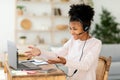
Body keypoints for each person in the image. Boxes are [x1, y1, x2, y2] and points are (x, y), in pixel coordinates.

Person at [25, 4, 102, 80]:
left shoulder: (96, 43)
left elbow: (85, 65)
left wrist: (65, 61)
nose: (71, 32)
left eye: (75, 29)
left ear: (86, 28)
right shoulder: (72, 41)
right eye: (70, 28)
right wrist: (40, 52)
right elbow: (56, 54)